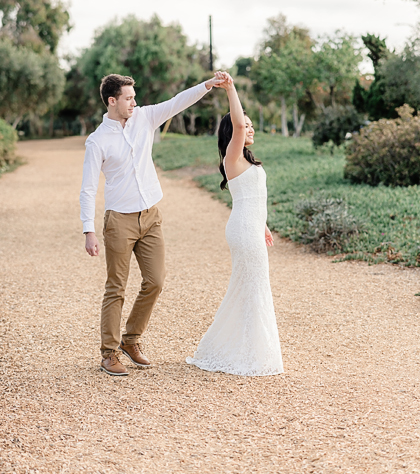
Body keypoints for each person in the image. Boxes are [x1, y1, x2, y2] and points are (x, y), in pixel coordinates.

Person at [80, 72, 227, 377]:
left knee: (156, 281)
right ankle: (109, 353)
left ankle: (130, 339)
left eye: (134, 97)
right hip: (119, 220)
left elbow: (177, 102)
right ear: (112, 101)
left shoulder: (144, 118)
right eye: (128, 98)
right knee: (116, 287)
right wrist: (88, 229)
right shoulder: (97, 141)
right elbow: (88, 188)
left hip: (150, 216)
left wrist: (207, 85)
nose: (134, 102)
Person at [186, 72, 284, 376]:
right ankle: (249, 353)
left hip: (251, 227)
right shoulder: (233, 156)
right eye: (245, 124)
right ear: (233, 132)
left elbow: (253, 196)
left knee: (251, 286)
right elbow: (238, 125)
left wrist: (263, 225)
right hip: (243, 230)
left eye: (252, 124)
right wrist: (231, 88)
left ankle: (244, 348)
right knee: (254, 287)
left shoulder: (246, 160)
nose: (249, 127)